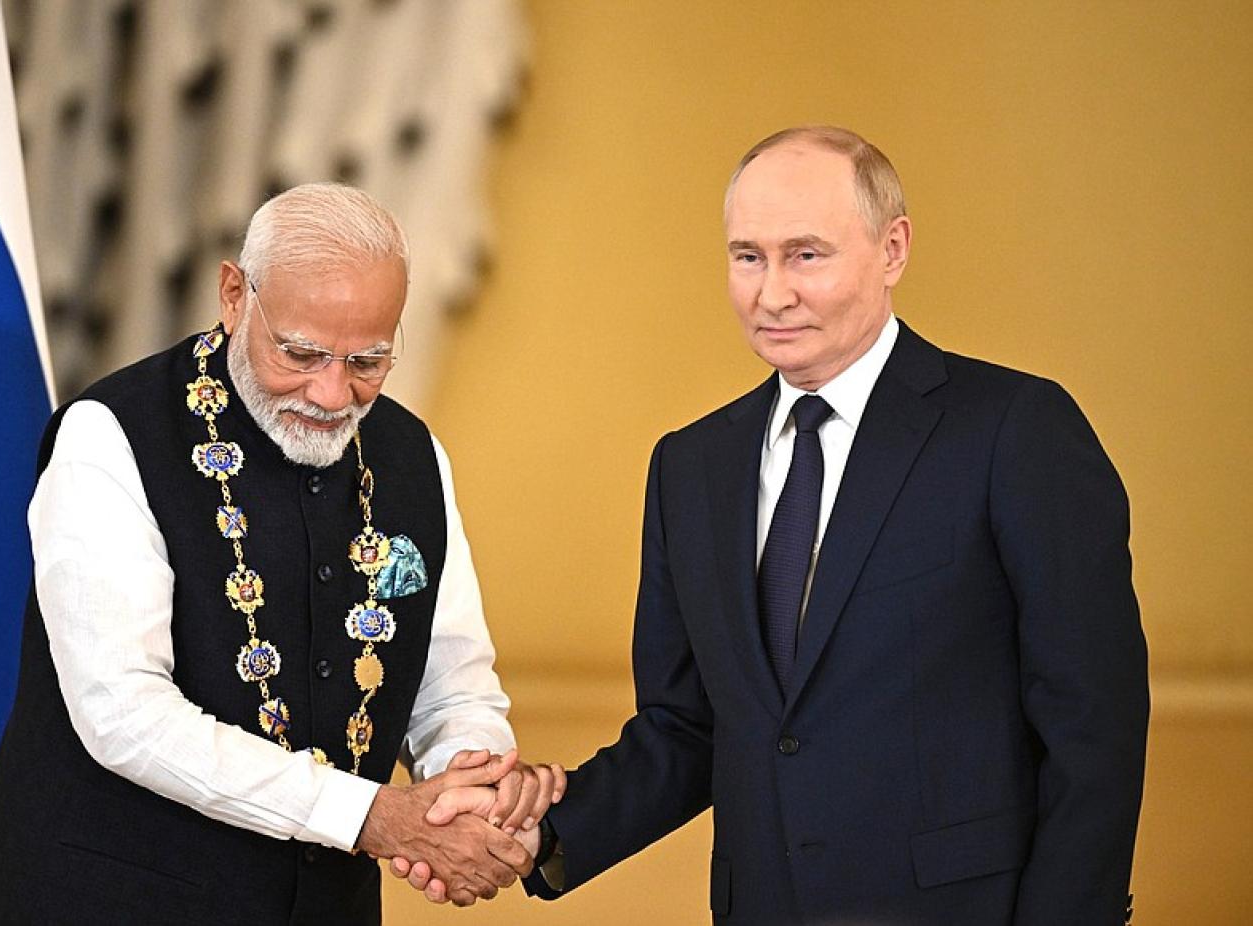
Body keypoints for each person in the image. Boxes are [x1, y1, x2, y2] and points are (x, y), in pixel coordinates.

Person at [396, 126, 1149, 922]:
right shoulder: (691, 466)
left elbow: (1093, 723)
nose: (772, 293)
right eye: (748, 256)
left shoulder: (1014, 430)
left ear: (892, 250)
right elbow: (689, 727)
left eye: (806, 255)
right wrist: (540, 827)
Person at [0, 183, 562, 924]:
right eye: (303, 352)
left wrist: (471, 788)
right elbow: (122, 711)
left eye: (370, 360)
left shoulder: (413, 456)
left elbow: (452, 684)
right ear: (232, 295)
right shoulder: (110, 436)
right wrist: (372, 815)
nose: (333, 391)